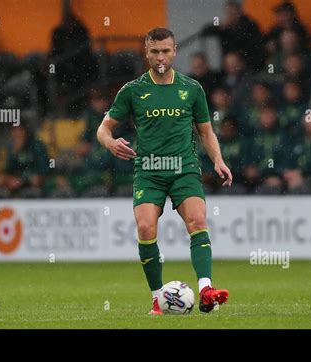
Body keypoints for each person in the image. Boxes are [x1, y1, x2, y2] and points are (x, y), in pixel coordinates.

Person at [97, 28, 232, 314]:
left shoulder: (192, 89)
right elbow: (103, 128)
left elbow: (206, 132)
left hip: (184, 168)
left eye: (166, 51)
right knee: (145, 228)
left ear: (174, 52)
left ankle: (206, 290)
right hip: (149, 170)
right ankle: (158, 297)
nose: (160, 56)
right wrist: (110, 143)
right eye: (155, 51)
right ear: (146, 52)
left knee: (197, 220)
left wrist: (218, 160)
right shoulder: (132, 90)